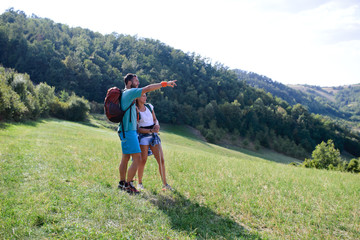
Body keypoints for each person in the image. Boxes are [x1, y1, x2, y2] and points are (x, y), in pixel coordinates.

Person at [117, 73, 177, 194]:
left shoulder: (127, 95)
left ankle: (122, 183)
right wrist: (164, 83)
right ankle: (128, 185)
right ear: (129, 83)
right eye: (136, 81)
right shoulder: (130, 92)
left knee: (126, 158)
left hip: (126, 130)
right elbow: (148, 88)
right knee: (138, 158)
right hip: (129, 131)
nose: (138, 83)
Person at [136, 93, 172, 191]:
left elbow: (155, 120)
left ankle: (165, 184)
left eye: (145, 95)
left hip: (154, 135)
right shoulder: (136, 110)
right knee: (143, 160)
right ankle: (139, 183)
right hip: (143, 136)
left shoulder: (149, 106)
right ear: (137, 97)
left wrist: (157, 125)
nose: (145, 97)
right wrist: (150, 130)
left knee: (161, 160)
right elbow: (138, 129)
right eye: (143, 96)